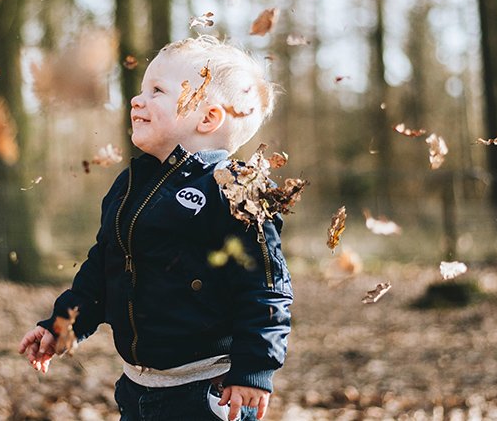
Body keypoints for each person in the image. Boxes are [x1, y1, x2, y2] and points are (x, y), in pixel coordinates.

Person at [18, 35, 293, 421]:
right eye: (142, 89)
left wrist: (254, 370)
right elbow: (103, 268)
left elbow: (266, 288)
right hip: (138, 388)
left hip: (207, 392)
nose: (136, 99)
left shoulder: (234, 190)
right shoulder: (132, 184)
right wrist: (62, 325)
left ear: (207, 117)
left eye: (157, 91)